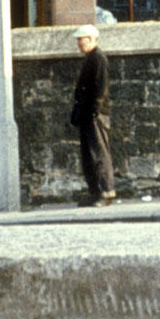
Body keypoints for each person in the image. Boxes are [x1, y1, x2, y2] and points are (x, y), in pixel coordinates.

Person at [69, 24, 115, 207]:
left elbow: (101, 87)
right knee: (88, 155)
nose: (79, 43)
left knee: (99, 154)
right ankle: (95, 192)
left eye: (82, 39)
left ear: (91, 39)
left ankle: (106, 191)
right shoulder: (91, 58)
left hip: (95, 114)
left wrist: (96, 110)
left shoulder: (98, 58)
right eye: (79, 40)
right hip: (88, 113)